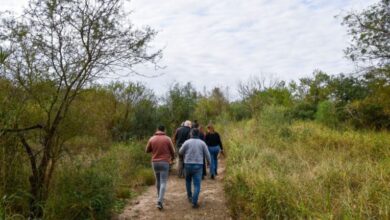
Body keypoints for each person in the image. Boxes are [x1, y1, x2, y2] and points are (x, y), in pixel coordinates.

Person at [179, 128, 211, 208]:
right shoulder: (202, 143)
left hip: (187, 164)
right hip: (198, 165)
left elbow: (180, 152)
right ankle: (194, 201)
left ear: (191, 134)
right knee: (197, 184)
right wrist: (209, 163)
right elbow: (207, 154)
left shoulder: (187, 142)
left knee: (188, 181)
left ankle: (189, 196)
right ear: (198, 134)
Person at [145, 125, 175, 210]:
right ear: (164, 130)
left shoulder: (152, 138)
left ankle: (159, 198)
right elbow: (173, 151)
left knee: (158, 181)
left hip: (155, 162)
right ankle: (160, 201)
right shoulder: (167, 139)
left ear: (157, 129)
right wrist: (172, 158)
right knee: (163, 182)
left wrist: (153, 149)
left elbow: (146, 150)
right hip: (165, 162)